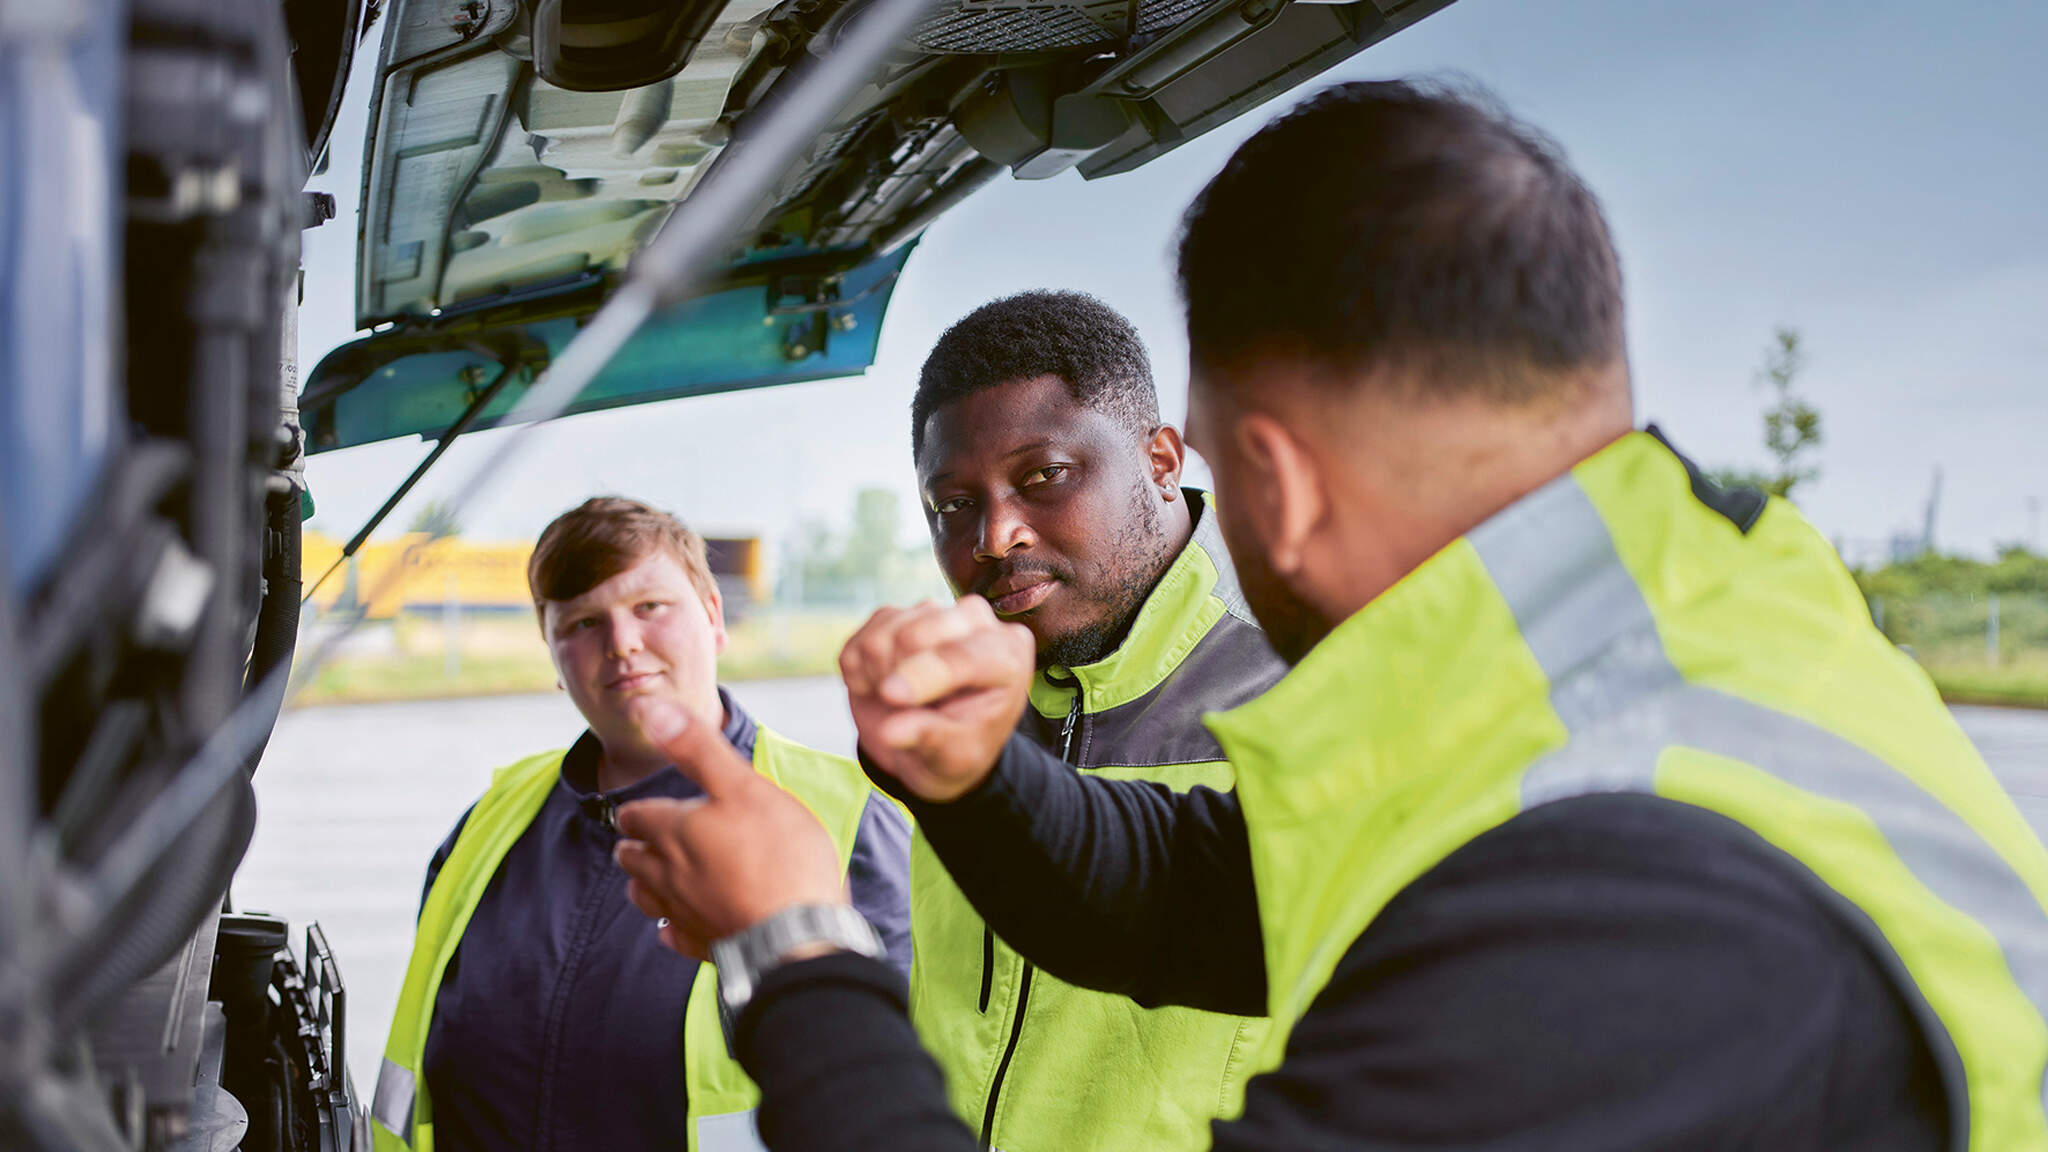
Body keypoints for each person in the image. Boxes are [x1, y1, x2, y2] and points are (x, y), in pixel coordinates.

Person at [612, 80, 2048, 1151]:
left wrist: (791, 951)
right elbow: (1199, 889)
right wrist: (982, 782)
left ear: (1265, 483)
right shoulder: (1678, 655)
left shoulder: (1632, 902)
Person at [370, 497, 911, 1152]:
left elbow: (899, 1085)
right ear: (551, 653)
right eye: (582, 622)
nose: (622, 644)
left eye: (650, 607)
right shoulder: (489, 822)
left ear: (713, 616)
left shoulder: (844, 818)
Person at [903, 291, 1280, 1150]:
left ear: (1159, 458)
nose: (995, 536)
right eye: (953, 505)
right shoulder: (942, 704)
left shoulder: (1316, 677)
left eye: (1043, 477)